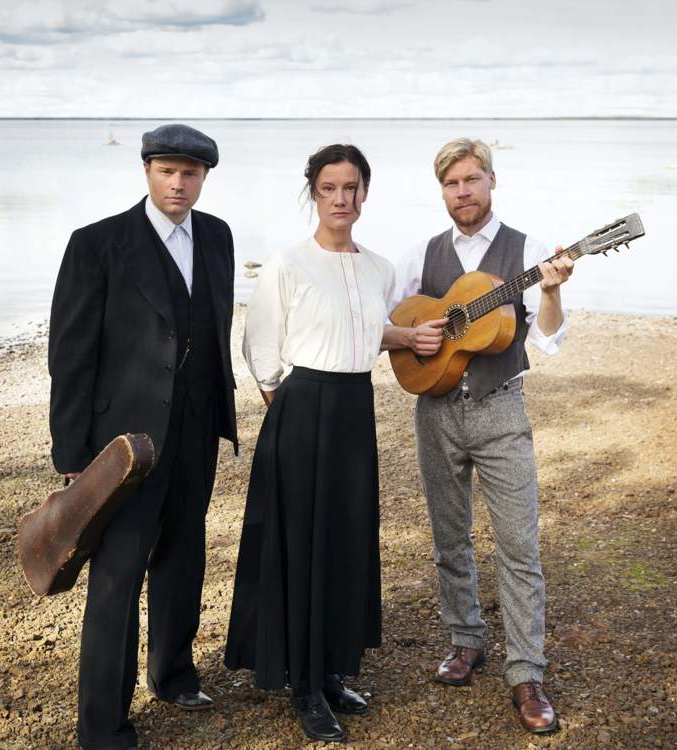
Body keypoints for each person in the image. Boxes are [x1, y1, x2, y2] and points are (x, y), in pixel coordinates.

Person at [48, 123, 238, 750]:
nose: (179, 183)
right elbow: (70, 354)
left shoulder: (217, 236)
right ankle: (102, 726)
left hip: (196, 428)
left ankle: (174, 674)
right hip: (124, 443)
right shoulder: (97, 244)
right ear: (147, 172)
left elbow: (209, 329)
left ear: (205, 176)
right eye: (167, 171)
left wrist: (221, 414)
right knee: (117, 575)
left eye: (190, 173)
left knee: (183, 555)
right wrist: (74, 454)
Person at [384, 138, 573, 734]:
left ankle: (527, 671)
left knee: (518, 546)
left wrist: (549, 288)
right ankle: (466, 640)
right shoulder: (422, 253)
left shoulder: (530, 251)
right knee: (449, 536)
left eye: (471, 179)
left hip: (501, 409)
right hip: (435, 408)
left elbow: (546, 339)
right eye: (451, 183)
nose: (462, 192)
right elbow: (391, 321)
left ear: (491, 180)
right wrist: (415, 337)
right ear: (442, 190)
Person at [224, 144, 395, 743]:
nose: (341, 198)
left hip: (356, 408)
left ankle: (331, 672)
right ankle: (302, 687)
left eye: (351, 187)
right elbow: (261, 348)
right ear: (313, 193)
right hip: (301, 410)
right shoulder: (287, 263)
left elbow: (371, 331)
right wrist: (288, 409)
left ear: (364, 193)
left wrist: (418, 335)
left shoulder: (380, 268)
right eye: (329, 188)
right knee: (301, 542)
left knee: (347, 538)